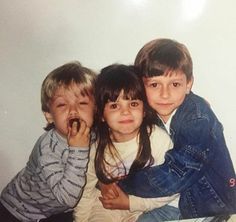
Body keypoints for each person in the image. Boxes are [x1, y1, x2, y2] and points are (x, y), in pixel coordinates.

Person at [118, 38, 236, 220]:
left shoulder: (197, 119)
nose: (165, 94)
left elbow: (177, 174)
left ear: (188, 84)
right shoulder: (146, 111)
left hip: (207, 204)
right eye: (154, 84)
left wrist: (123, 184)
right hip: (171, 201)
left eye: (175, 84)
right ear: (141, 86)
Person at [73, 64, 180, 222]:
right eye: (115, 106)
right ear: (101, 114)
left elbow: (172, 190)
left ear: (144, 110)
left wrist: (130, 203)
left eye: (134, 104)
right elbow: (85, 189)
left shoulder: (157, 140)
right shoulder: (95, 145)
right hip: (107, 206)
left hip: (149, 206)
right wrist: (80, 220)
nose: (125, 112)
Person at [0, 61, 96, 222]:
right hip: (17, 210)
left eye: (82, 103)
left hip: (54, 211)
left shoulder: (95, 135)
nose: (73, 110)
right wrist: (79, 149)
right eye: (62, 105)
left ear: (96, 109)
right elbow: (68, 198)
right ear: (49, 115)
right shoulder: (48, 147)